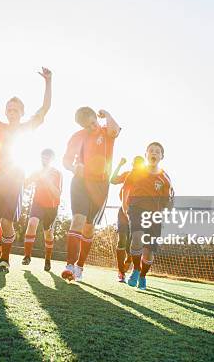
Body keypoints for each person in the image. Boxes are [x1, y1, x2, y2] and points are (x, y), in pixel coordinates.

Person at [0, 68, 52, 273]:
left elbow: (45, 108)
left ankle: (5, 261)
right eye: (9, 109)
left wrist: (48, 82)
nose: (12, 112)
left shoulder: (27, 128)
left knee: (7, 221)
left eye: (15, 110)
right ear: (5, 111)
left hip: (16, 183)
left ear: (22, 113)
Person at [61, 107, 120, 281]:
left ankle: (80, 266)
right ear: (81, 126)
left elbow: (115, 130)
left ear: (97, 118)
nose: (92, 127)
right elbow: (65, 161)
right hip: (80, 182)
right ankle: (69, 266)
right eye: (87, 126)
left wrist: (108, 114)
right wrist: (73, 168)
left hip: (101, 185)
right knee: (78, 219)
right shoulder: (76, 137)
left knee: (89, 226)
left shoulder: (106, 132)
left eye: (94, 122)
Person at [125, 142, 173, 290]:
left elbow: (167, 201)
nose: (154, 153)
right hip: (136, 208)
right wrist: (125, 206)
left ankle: (143, 276)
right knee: (137, 238)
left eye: (157, 152)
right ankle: (136, 270)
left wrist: (169, 205)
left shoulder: (165, 178)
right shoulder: (136, 172)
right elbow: (126, 188)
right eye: (151, 151)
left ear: (161, 157)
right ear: (146, 155)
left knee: (149, 251)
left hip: (154, 215)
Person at [22, 148, 62, 271]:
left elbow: (57, 194)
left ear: (52, 159)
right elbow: (25, 184)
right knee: (32, 223)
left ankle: (48, 259)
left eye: (47, 157)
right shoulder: (37, 171)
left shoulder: (57, 173)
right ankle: (27, 256)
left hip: (51, 206)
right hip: (37, 203)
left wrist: (47, 180)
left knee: (47, 232)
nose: (44, 159)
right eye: (43, 157)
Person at [110, 155, 145, 282]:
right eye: (135, 163)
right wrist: (120, 164)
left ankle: (130, 261)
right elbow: (112, 180)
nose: (137, 166)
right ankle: (121, 272)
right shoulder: (127, 174)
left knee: (133, 243)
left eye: (140, 164)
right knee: (122, 240)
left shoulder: (146, 178)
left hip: (137, 213)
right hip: (123, 211)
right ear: (132, 164)